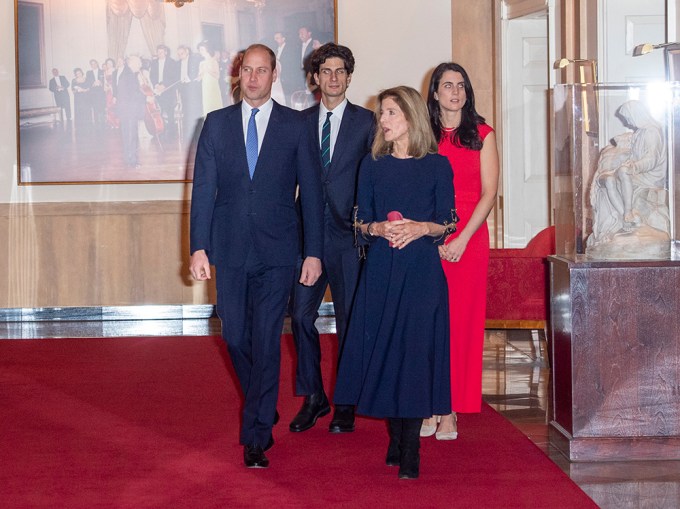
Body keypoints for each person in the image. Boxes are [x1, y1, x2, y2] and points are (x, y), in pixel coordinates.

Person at [189, 43, 324, 469]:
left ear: (273, 74)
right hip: (229, 250)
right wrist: (198, 246)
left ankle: (256, 433)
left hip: (278, 252)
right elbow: (203, 192)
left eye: (261, 70)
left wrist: (314, 253)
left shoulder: (296, 126)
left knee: (266, 341)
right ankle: (263, 403)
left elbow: (314, 196)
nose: (253, 78)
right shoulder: (215, 124)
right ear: (238, 73)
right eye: (247, 70)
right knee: (234, 337)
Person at [333, 86, 456, 479]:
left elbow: (447, 222)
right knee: (387, 354)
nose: (382, 120)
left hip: (422, 273)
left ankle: (411, 448)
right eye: (382, 113)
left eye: (389, 112)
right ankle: (397, 437)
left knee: (417, 355)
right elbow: (359, 223)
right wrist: (380, 227)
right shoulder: (371, 165)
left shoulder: (438, 166)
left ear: (410, 116)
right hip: (383, 270)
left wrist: (421, 228)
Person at [288, 43, 374, 434]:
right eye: (326, 71)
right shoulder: (298, 124)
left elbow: (377, 177)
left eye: (341, 71)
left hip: (348, 239)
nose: (333, 77)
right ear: (316, 78)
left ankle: (346, 401)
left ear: (349, 77)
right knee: (302, 316)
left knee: (349, 320)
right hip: (307, 240)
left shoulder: (368, 122)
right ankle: (314, 397)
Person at [423, 62, 499, 440]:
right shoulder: (422, 136)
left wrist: (462, 239)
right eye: (447, 85)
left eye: (461, 86)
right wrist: (431, 238)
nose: (455, 92)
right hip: (429, 240)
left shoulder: (483, 134)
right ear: (434, 92)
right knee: (427, 325)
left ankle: (451, 409)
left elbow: (489, 193)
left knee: (460, 326)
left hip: (469, 239)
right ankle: (429, 403)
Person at [588, 100, 668, 246]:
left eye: (629, 118)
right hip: (639, 172)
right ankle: (626, 218)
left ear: (637, 114)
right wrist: (616, 168)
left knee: (624, 172)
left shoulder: (652, 131)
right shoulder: (639, 133)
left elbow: (652, 159)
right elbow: (633, 157)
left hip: (651, 176)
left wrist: (633, 167)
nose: (628, 122)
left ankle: (629, 212)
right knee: (609, 179)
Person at [116, 55, 146, 168]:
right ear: (131, 63)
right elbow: (133, 95)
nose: (140, 65)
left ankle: (129, 159)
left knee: (129, 136)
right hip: (128, 111)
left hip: (127, 111)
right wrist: (146, 97)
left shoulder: (129, 74)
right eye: (138, 63)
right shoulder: (129, 76)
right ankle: (131, 161)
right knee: (130, 136)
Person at [149, 45, 180, 142]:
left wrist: (164, 85)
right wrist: (156, 85)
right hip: (157, 89)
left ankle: (171, 131)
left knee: (169, 110)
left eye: (161, 52)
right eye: (158, 52)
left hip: (168, 89)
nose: (159, 54)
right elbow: (152, 76)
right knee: (159, 110)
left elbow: (174, 76)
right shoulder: (154, 63)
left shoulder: (172, 62)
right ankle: (161, 129)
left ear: (166, 52)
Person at [176, 45, 203, 148]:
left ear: (187, 51)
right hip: (184, 90)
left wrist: (190, 79)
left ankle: (198, 133)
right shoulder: (178, 64)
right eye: (178, 54)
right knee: (186, 110)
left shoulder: (195, 60)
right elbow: (177, 77)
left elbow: (198, 73)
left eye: (181, 53)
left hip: (194, 90)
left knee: (196, 110)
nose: (180, 56)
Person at [197, 40, 223, 116]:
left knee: (215, 105)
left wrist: (208, 70)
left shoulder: (214, 61)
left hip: (213, 87)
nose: (200, 51)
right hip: (205, 87)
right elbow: (199, 78)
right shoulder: (201, 63)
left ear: (207, 49)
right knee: (207, 105)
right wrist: (200, 75)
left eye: (202, 49)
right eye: (200, 50)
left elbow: (217, 76)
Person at [274, 31, 298, 106]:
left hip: (287, 78)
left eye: (277, 38)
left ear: (283, 38)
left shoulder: (289, 49)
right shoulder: (276, 49)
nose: (275, 40)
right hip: (279, 79)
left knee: (287, 99)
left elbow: (290, 66)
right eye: (275, 38)